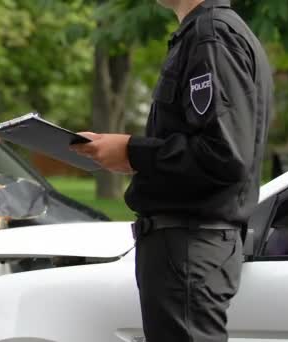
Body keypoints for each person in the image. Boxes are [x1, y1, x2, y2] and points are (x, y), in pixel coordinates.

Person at [72, 0, 272, 341]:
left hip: (190, 247)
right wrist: (126, 154)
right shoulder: (205, 33)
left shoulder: (213, 36)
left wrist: (132, 151)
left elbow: (224, 154)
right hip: (185, 247)